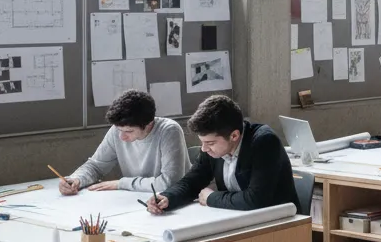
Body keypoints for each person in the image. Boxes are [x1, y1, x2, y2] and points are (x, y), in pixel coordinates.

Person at [148, 94, 296, 214]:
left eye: (210, 143)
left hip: (277, 222)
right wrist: (167, 197)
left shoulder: (264, 142)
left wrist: (212, 198)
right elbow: (193, 181)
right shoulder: (212, 146)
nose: (204, 149)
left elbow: (256, 199)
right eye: (202, 142)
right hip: (236, 217)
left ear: (234, 136)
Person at [59, 89, 189, 195]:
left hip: (173, 200)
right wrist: (76, 179)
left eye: (129, 131)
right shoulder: (118, 129)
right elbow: (96, 166)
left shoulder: (169, 130)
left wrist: (120, 183)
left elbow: (169, 183)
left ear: (149, 124)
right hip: (136, 198)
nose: (122, 137)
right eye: (119, 129)